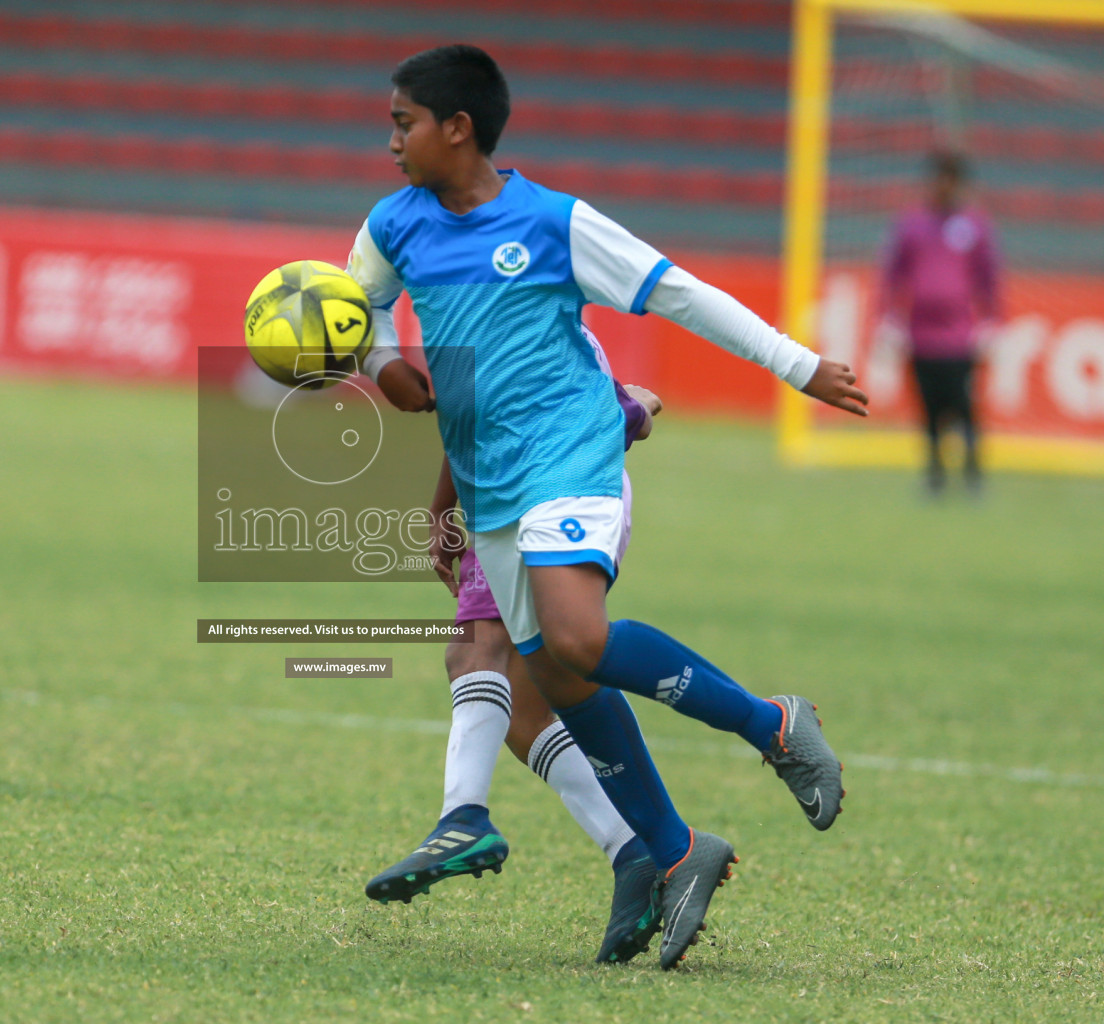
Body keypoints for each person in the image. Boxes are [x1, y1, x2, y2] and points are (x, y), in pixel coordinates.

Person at [349, 45, 865, 969]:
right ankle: (674, 848)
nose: (391, 142)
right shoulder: (394, 226)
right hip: (488, 476)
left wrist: (800, 367)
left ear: (456, 129)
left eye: (403, 123)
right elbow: (364, 314)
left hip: (575, 449)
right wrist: (383, 366)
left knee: (575, 641)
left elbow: (679, 294)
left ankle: (772, 726)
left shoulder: (553, 222)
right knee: (555, 676)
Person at [366, 373, 666, 965]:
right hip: (507, 490)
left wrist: (630, 403)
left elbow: (630, 409)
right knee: (526, 711)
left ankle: (462, 817)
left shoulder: (529, 322)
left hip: (556, 495)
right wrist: (440, 506)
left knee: (477, 648)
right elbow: (466, 413)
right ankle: (637, 851)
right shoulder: (467, 318)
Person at [880, 150, 1000, 496]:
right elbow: (892, 274)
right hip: (920, 335)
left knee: (964, 407)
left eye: (949, 178)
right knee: (928, 408)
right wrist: (888, 319)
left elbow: (988, 277)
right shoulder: (911, 223)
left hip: (960, 336)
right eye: (938, 178)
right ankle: (934, 474)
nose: (943, 185)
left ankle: (973, 472)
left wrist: (992, 322)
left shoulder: (974, 225)